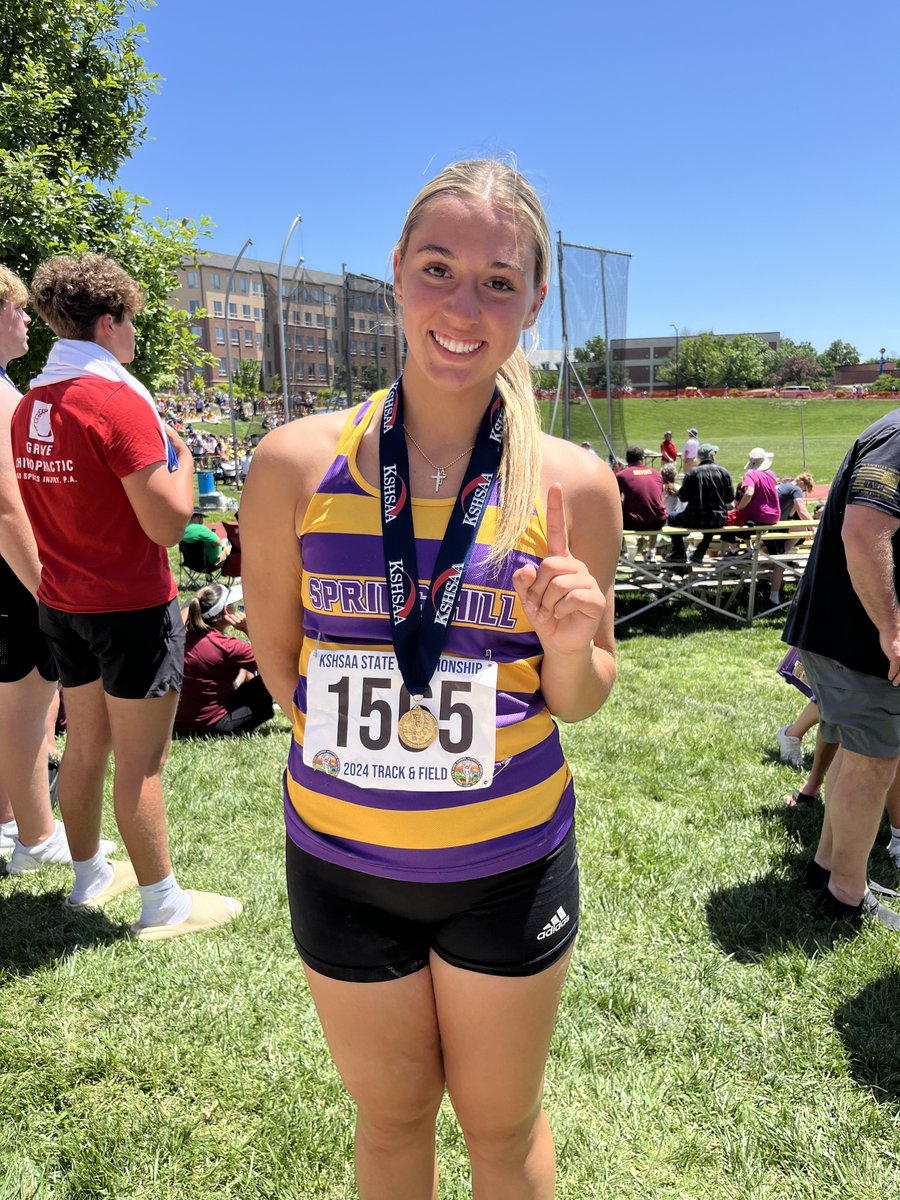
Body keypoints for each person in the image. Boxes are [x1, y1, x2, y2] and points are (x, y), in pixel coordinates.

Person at [240, 159, 620, 1198]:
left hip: (507, 865)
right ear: (397, 271)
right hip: (342, 863)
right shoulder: (292, 464)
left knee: (501, 1127)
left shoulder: (573, 485)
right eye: (439, 269)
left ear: (534, 302)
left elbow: (582, 694)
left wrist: (572, 645)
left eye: (499, 282)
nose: (463, 307)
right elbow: (278, 661)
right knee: (392, 1117)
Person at [11, 253, 241, 940]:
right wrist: (186, 460)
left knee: (86, 746)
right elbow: (168, 524)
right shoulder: (115, 401)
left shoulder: (31, 404)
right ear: (108, 322)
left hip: (62, 601)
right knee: (142, 763)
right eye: (132, 322)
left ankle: (89, 878)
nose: (135, 334)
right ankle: (163, 903)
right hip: (130, 606)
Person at [783, 409, 900, 929]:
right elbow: (865, 530)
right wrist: (892, 630)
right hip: (857, 636)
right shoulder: (899, 437)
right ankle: (846, 896)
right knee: (874, 759)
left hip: (845, 631)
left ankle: (829, 866)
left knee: (860, 751)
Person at [0, 264, 89, 873]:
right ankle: (37, 837)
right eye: (17, 307)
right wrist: (46, 588)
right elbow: (8, 507)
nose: (28, 318)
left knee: (14, 700)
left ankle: (11, 822)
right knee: (31, 702)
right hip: (13, 573)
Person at [173, 582, 273, 736]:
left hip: (178, 723)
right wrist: (248, 629)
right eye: (233, 605)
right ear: (227, 611)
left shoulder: (182, 635)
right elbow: (272, 663)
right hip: (213, 725)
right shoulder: (227, 646)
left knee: (242, 670)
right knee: (267, 682)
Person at [665, 443, 734, 564]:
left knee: (671, 517)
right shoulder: (723, 472)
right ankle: (700, 551)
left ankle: (679, 552)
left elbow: (683, 497)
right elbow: (729, 498)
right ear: (711, 456)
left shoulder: (692, 473)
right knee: (712, 519)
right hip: (718, 519)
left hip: (694, 519)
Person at [769, 472, 815, 607]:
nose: (803, 492)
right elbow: (802, 511)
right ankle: (773, 599)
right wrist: (814, 528)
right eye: (804, 490)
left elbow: (791, 513)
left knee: (799, 529)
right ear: (801, 483)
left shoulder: (783, 486)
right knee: (780, 563)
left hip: (770, 525)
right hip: (773, 529)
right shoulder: (795, 489)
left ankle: (787, 551)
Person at [616, 445, 665, 561]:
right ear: (642, 459)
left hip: (635, 523)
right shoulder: (656, 473)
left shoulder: (622, 475)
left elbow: (614, 499)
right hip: (659, 522)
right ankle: (651, 551)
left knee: (616, 510)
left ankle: (620, 551)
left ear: (627, 460)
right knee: (655, 510)